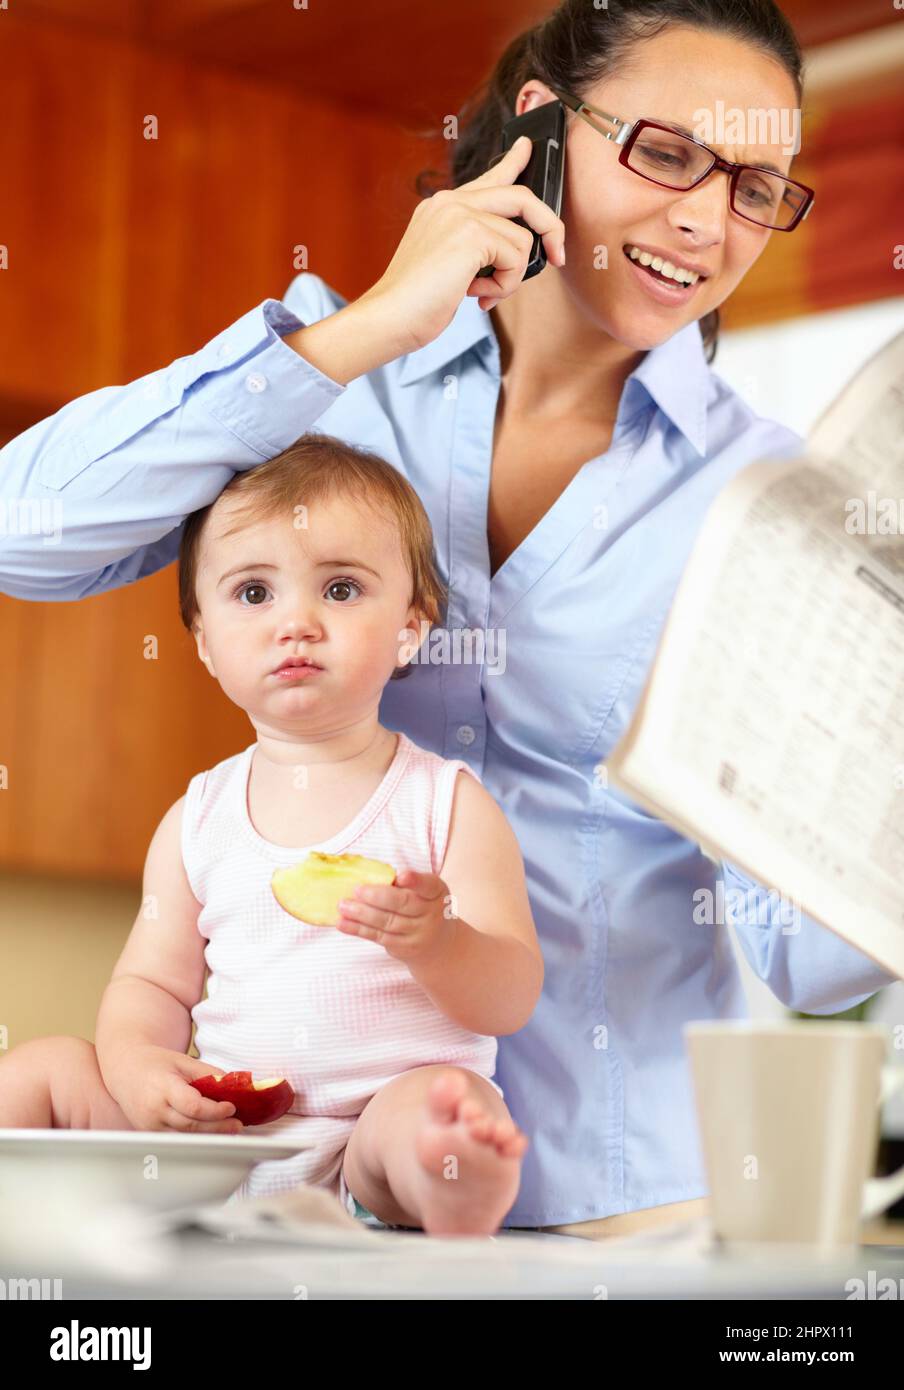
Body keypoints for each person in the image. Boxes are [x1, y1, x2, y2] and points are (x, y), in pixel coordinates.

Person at [0, 0, 896, 1237]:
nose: (705, 219)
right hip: (284, 1185)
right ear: (540, 125)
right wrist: (367, 327)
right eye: (667, 152)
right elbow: (23, 533)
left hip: (614, 1197)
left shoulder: (771, 503)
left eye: (757, 187)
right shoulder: (333, 378)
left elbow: (799, 951)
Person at [0, 436, 543, 1237]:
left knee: (442, 1108)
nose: (297, 622)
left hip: (363, 1151)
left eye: (341, 588)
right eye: (254, 593)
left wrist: (439, 941)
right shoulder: (197, 819)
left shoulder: (447, 805)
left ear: (410, 629)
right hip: (212, 1156)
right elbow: (152, 987)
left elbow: (511, 994)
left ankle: (455, 1179)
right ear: (205, 644)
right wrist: (144, 1070)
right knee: (43, 1069)